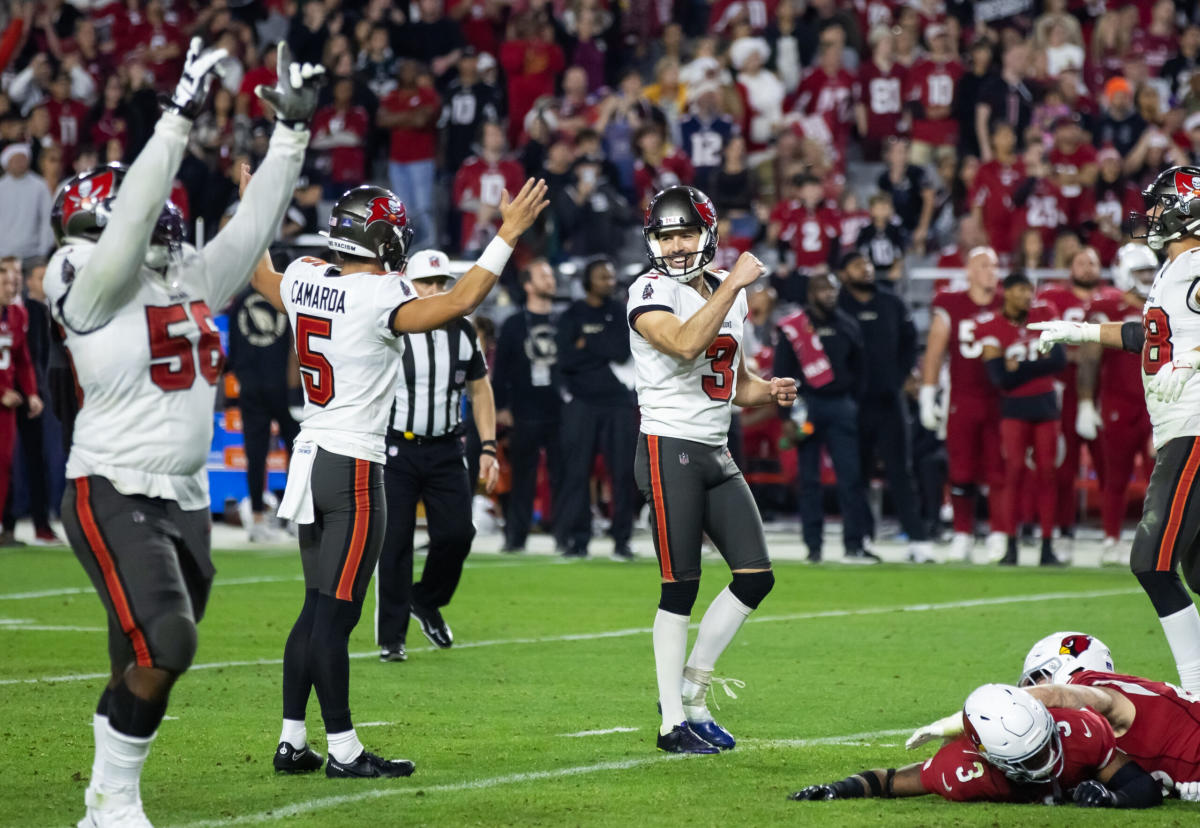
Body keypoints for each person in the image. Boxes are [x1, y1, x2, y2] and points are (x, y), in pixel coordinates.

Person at [44, 40, 322, 828]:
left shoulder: (185, 276)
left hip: (187, 495)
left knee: (145, 656)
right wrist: (173, 121)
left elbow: (253, 226)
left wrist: (292, 135)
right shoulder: (80, 279)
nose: (162, 222)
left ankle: (100, 803)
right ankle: (117, 800)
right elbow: (127, 229)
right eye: (142, 212)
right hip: (110, 483)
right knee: (168, 641)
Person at [255, 175, 548, 779]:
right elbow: (461, 302)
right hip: (355, 464)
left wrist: (254, 210)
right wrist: (507, 235)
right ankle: (342, 750)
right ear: (383, 239)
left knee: (313, 609)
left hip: (309, 455)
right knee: (336, 615)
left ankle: (291, 740)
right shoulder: (377, 295)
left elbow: (261, 276)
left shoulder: (308, 276)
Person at [627, 185, 795, 753]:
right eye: (665, 236)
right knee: (680, 587)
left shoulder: (730, 296)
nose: (675, 247)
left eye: (685, 234)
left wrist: (768, 391)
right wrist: (730, 284)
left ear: (707, 234)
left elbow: (730, 382)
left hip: (715, 449)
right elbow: (682, 344)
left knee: (755, 576)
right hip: (667, 446)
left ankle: (692, 695)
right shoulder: (648, 290)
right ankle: (671, 722)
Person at [1031, 165, 1200, 696]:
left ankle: (1196, 690)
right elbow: (1147, 335)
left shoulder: (1196, 262)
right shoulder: (1174, 268)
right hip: (1177, 426)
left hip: (1195, 424)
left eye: (1158, 205)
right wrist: (1078, 330)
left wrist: (1193, 360)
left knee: (1151, 563)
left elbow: (1182, 344)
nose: (1148, 215)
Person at [375, 249, 498, 662]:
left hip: (447, 447)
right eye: (425, 283)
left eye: (440, 283)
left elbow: (480, 388)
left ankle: (425, 599)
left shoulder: (462, 331)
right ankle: (392, 638)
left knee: (457, 535)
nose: (433, 290)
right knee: (394, 542)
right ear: (407, 283)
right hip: (397, 447)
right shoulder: (390, 323)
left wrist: (488, 447)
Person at [791, 683, 1162, 808]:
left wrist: (1112, 799)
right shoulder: (963, 770)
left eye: (1045, 744)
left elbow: (1143, 785)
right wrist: (836, 789)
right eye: (1031, 756)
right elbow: (888, 781)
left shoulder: (1077, 729)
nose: (1047, 760)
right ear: (988, 755)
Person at [836, 251, 929, 561]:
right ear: (843, 273)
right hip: (853, 404)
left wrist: (899, 378)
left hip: (890, 402)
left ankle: (917, 540)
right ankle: (859, 540)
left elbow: (909, 342)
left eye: (868, 264)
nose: (866, 269)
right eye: (857, 265)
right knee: (855, 475)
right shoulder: (837, 307)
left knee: (901, 471)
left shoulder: (892, 303)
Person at [774, 272, 872, 563]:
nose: (829, 293)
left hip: (841, 405)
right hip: (808, 407)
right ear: (810, 293)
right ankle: (813, 547)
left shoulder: (848, 325)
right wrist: (786, 416)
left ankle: (853, 544)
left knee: (850, 478)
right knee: (809, 479)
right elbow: (782, 372)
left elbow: (861, 370)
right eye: (822, 289)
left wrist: (854, 404)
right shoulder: (794, 328)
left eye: (832, 288)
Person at [919, 247, 1005, 564]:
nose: (990, 271)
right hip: (963, 398)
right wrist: (929, 393)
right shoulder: (951, 303)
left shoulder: (1006, 302)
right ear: (968, 270)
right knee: (962, 472)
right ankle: (963, 533)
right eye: (983, 265)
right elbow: (935, 349)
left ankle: (999, 533)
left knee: (998, 470)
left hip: (999, 399)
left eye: (994, 266)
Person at [976, 272, 1067, 566]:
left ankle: (1047, 545)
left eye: (1029, 290)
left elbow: (1058, 361)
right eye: (1019, 290)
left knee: (1047, 474)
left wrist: (1020, 367)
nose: (1026, 296)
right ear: (1006, 292)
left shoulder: (1046, 314)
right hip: (1014, 408)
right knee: (1013, 473)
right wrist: (1034, 366)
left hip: (1044, 406)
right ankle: (1010, 543)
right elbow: (999, 378)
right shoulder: (992, 326)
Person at [555, 256, 638, 560]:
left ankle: (622, 541)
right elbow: (565, 359)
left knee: (621, 474)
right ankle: (578, 540)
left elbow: (619, 350)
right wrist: (597, 347)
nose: (610, 282)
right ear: (588, 281)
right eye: (603, 277)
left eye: (611, 276)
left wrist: (586, 344)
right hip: (582, 403)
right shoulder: (571, 314)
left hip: (618, 403)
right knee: (577, 473)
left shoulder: (620, 312)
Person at [1079, 243, 1157, 563]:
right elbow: (1088, 358)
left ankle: (1161, 541)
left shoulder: (1161, 303)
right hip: (1118, 404)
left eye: (1151, 271)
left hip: (1156, 403)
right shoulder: (1106, 307)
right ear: (1124, 274)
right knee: (1115, 476)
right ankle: (1111, 539)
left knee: (1161, 479)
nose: (1149, 278)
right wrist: (1085, 402)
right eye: (1141, 272)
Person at [1037, 247, 1115, 559]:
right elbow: (1043, 343)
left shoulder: (1113, 298)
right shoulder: (1054, 297)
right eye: (1080, 262)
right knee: (1064, 465)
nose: (1086, 268)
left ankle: (1114, 534)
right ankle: (1064, 529)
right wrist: (1079, 357)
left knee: (1109, 464)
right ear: (1070, 268)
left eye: (1092, 262)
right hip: (1066, 389)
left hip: (1106, 389)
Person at [494, 260, 563, 554]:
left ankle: (566, 536)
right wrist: (502, 406)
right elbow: (501, 370)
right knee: (523, 477)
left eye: (551, 274)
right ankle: (515, 536)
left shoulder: (564, 320)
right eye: (543, 275)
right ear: (528, 285)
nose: (551, 280)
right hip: (524, 409)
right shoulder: (513, 323)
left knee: (565, 476)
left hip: (560, 409)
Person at [225, 284, 301, 542]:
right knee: (297, 451)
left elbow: (233, 348)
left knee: (255, 454)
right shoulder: (286, 296)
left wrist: (243, 376)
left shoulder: (241, 299)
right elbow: (296, 344)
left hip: (252, 387)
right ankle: (294, 518)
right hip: (284, 386)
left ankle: (257, 518)